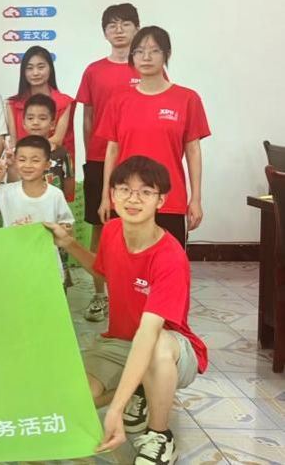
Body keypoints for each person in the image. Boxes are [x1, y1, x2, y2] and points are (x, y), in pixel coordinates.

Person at [44, 156, 207, 465]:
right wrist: (68, 243)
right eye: (125, 190)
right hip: (120, 341)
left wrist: (115, 411)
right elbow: (104, 271)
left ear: (161, 200)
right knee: (74, 397)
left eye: (146, 192)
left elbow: (148, 333)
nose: (133, 199)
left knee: (156, 346)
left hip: (170, 347)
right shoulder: (113, 230)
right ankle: (139, 391)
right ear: (113, 194)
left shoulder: (170, 257)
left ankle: (160, 435)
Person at [97, 26, 210, 248]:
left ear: (166, 54)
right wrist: (106, 197)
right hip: (127, 199)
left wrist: (196, 199)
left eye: (154, 50)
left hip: (169, 198)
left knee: (169, 261)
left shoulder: (187, 98)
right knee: (127, 262)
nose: (146, 57)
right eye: (139, 51)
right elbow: (112, 151)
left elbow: (193, 151)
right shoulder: (118, 101)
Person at [76, 3, 141, 322]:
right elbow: (87, 118)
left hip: (136, 161)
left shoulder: (146, 69)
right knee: (100, 226)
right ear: (104, 32)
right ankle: (99, 294)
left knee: (135, 225)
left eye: (125, 24)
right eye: (112, 25)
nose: (119, 30)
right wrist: (92, 155)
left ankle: (132, 295)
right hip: (100, 159)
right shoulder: (94, 71)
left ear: (136, 29)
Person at [0, 135, 74, 279]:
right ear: (15, 161)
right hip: (13, 262)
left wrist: (63, 229)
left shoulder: (55, 194)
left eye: (35, 160)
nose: (28, 165)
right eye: (22, 160)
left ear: (47, 165)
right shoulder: (6, 191)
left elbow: (67, 226)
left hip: (46, 264)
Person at [6, 45, 76, 192]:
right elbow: (14, 139)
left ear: (50, 68)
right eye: (29, 68)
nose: (35, 73)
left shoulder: (64, 102)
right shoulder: (13, 103)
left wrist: (35, 158)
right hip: (23, 167)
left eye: (41, 67)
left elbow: (57, 139)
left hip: (52, 165)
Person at [15, 93, 75, 201]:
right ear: (23, 123)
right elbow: (12, 181)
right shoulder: (16, 152)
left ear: (52, 124)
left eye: (42, 118)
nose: (35, 122)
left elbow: (69, 186)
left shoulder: (62, 153)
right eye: (30, 118)